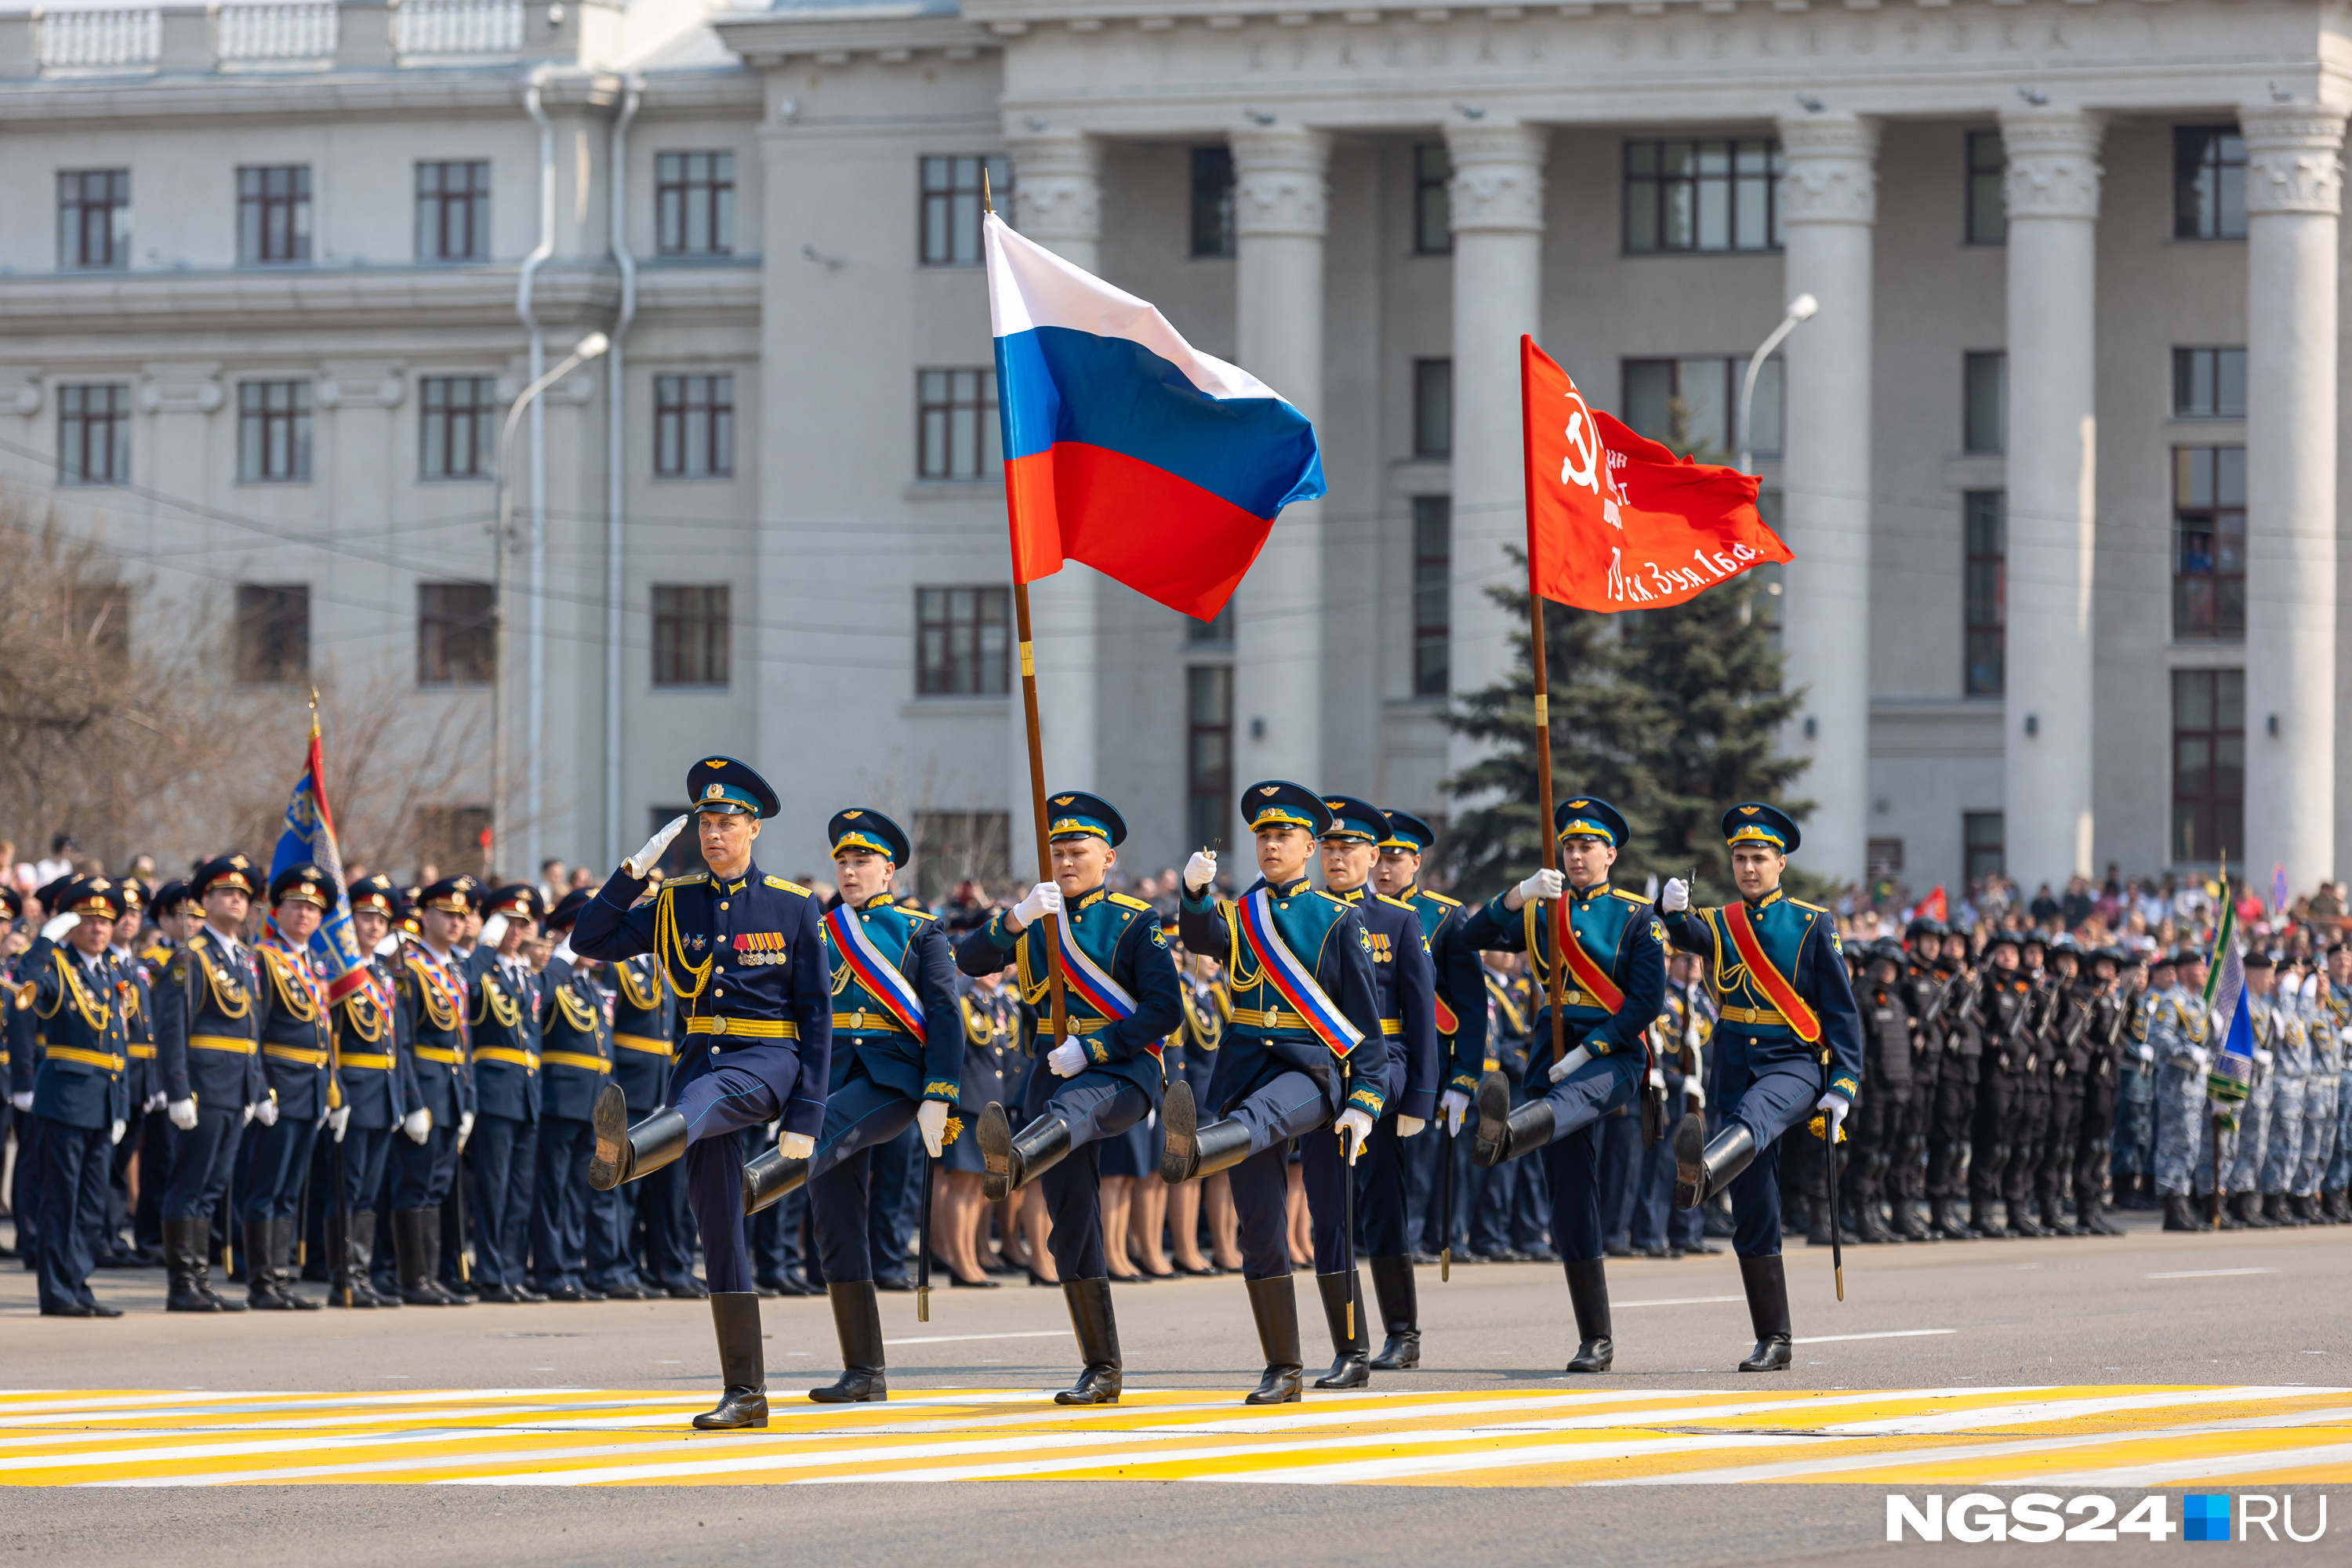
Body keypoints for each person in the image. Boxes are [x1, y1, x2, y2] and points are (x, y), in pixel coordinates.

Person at [576, 756, 833, 1432]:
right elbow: (589, 938)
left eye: (727, 823)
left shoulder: (792, 904)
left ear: (754, 830)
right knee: (718, 1230)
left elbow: (817, 1018)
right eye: (706, 824)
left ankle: (629, 1152)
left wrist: (806, 1115)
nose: (714, 835)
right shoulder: (674, 900)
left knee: (699, 1104)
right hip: (697, 1067)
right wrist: (633, 872)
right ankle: (746, 1393)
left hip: (767, 1062)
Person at [1164, 781, 1387, 1406]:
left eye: (1283, 835)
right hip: (1244, 1076)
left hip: (1312, 1077)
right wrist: (1193, 892)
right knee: (1259, 1225)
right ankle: (1282, 1366)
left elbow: (1366, 1024)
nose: (1270, 845)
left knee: (1330, 1221)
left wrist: (1366, 1100)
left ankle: (1351, 1349)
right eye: (1262, 835)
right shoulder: (1240, 915)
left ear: (1310, 846)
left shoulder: (1339, 919)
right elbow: (1201, 936)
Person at [957, 790, 1182, 1405]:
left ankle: (1018, 1157)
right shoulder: (1036, 914)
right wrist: (1016, 918)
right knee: (1071, 1225)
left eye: (1078, 851)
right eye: (1055, 852)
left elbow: (1166, 1008)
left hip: (1122, 1074)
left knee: (1073, 1111)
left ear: (1107, 858)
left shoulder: (1135, 921)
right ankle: (1101, 1367)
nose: (1064, 862)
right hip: (1051, 1074)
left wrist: (1098, 1048)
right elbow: (968, 957)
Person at [734, 805, 956, 1403]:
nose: (850, 871)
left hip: (891, 1079)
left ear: (889, 870)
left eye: (862, 861)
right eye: (843, 861)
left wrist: (940, 1093)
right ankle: (865, 1371)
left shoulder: (919, 931)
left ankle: (743, 1191)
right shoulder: (819, 930)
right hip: (830, 1076)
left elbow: (944, 1015)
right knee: (833, 1222)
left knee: (821, 1133)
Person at [1458, 796, 1665, 1374]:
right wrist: (1519, 893)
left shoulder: (1635, 917)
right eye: (1569, 846)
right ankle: (1594, 1338)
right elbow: (1474, 935)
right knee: (1572, 1200)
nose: (1577, 856)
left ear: (1611, 855)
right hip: (1550, 1055)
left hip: (1611, 1056)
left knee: (1570, 1101)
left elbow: (1649, 1001)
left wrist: (1590, 1048)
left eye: (1587, 847)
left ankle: (1505, 1135)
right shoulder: (1541, 909)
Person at [1661, 804, 1863, 1373]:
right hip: (1735, 1064)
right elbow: (1683, 932)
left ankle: (1700, 1173)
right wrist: (1668, 908)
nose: (1748, 869)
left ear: (1780, 864)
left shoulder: (1810, 923)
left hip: (1794, 1065)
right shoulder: (1722, 921)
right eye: (1740, 859)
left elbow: (1843, 1016)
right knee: (1754, 1206)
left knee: (1755, 1113)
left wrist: (1843, 1083)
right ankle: (1774, 1338)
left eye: (1759, 859)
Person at [154, 854, 269, 1314]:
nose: (236, 901)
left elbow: (252, 1033)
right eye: (226, 893)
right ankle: (182, 1282)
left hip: (233, 1090)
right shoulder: (191, 957)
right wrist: (178, 1090)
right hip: (203, 1089)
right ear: (206, 900)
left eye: (243, 895)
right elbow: (172, 1029)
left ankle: (199, 1279)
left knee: (213, 1187)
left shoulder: (244, 960)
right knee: (190, 1183)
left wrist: (257, 1089)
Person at [20, 878, 133, 1316]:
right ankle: (56, 1291)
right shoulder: (57, 966)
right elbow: (26, 992)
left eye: (106, 920)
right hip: (65, 1098)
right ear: (72, 924)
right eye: (88, 920)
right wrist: (44, 941)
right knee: (60, 1200)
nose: (98, 929)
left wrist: (121, 1104)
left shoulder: (113, 973)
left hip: (104, 1100)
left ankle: (80, 1284)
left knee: (91, 1205)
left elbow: (119, 1044)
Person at [241, 863, 341, 1310]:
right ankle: (262, 1281)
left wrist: (331, 1091)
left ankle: (281, 1276)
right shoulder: (263, 958)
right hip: (280, 1084)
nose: (304, 914)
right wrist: (259, 1087)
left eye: (312, 908)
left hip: (312, 1087)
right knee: (268, 1185)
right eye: (296, 906)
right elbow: (254, 1031)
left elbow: (324, 1032)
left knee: (289, 1188)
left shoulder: (314, 964)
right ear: (277, 911)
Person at [388, 877, 477, 1305]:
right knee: (416, 1183)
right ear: (425, 916)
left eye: (462, 915)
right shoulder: (409, 967)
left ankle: (430, 1274)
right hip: (424, 1088)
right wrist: (410, 1101)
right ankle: (413, 1278)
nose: (456, 922)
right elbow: (401, 1039)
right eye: (447, 914)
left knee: (438, 1186)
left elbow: (465, 1040)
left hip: (452, 1089)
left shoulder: (454, 969)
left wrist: (469, 1100)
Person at [327, 873, 415, 1308]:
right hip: (354, 1091)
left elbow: (395, 1042)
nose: (374, 926)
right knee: (349, 1183)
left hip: (383, 1092)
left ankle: (360, 1274)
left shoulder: (382, 973)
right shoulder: (338, 972)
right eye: (365, 916)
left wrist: (401, 1097)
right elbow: (330, 1039)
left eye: (381, 919)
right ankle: (342, 1275)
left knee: (368, 1190)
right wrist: (335, 1092)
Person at [530, 888, 618, 1298]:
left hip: (593, 1105)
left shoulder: (591, 988)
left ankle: (573, 1267)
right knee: (554, 1191)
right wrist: (560, 959)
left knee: (581, 1191)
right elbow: (537, 1002)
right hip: (561, 1101)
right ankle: (552, 1270)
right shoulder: (555, 982)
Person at [463, 884, 546, 1302]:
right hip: (495, 1092)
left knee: (519, 1190)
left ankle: (512, 1272)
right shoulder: (482, 968)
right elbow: (466, 987)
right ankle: (490, 1273)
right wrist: (486, 942)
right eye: (508, 922)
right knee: (492, 1189)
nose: (516, 930)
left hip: (528, 1093)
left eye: (521, 923)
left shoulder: (526, 977)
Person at [605, 920, 691, 1298]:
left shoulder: (667, 967)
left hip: (663, 1092)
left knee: (666, 1190)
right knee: (623, 1189)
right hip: (628, 1091)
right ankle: (619, 1269)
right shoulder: (616, 965)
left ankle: (667, 1269)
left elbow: (674, 1034)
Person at [2148, 946, 2214, 1230]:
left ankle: (2182, 1200)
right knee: (2174, 1145)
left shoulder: (2198, 1004)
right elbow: (2158, 1038)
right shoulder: (2170, 1001)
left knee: (2190, 1145)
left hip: (2195, 1084)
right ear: (2186, 971)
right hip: (2177, 1083)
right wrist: (2188, 1051)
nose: (2205, 972)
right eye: (2200, 967)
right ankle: (2172, 1206)